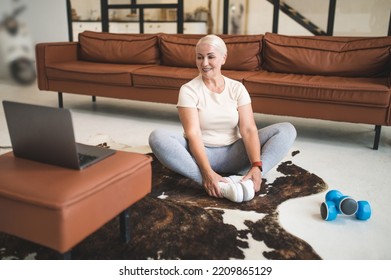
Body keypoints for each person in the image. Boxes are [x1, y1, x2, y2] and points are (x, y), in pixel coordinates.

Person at [148, 34, 296, 203]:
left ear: (223, 58)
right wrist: (206, 172)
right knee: (157, 137)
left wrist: (256, 165)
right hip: (200, 155)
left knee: (286, 129)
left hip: (234, 154)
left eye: (211, 57)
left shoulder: (237, 88)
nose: (204, 63)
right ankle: (216, 184)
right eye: (199, 57)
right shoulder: (188, 90)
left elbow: (248, 130)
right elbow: (193, 133)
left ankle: (254, 177)